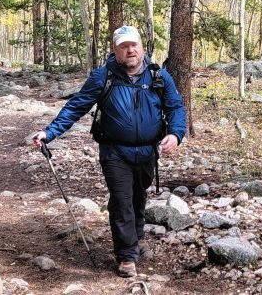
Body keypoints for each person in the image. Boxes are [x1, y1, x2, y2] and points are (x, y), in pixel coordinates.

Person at [32, 25, 187, 278]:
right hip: (114, 151)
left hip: (148, 151)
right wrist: (50, 132)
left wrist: (175, 134)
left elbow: (176, 108)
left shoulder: (159, 76)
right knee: (122, 200)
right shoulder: (103, 76)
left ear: (141, 47)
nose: (130, 50)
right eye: (124, 47)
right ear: (115, 50)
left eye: (133, 45)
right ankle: (126, 256)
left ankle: (135, 239)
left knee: (138, 196)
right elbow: (76, 106)